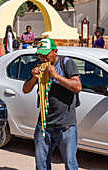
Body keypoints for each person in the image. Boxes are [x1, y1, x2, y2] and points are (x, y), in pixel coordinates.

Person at [23, 38, 82, 170]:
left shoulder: (67, 63)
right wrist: (33, 78)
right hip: (44, 125)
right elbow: (25, 89)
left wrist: (56, 76)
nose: (42, 57)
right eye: (40, 54)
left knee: (71, 164)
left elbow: (77, 86)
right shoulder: (39, 66)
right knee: (41, 164)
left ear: (55, 51)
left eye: (46, 54)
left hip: (66, 126)